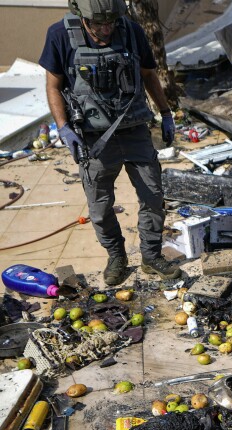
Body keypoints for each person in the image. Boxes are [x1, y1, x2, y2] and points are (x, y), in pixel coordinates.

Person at [39, 0, 181, 286]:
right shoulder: (59, 35)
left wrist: (166, 113)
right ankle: (116, 256)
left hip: (135, 131)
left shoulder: (131, 31)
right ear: (83, 18)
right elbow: (53, 85)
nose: (106, 29)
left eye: (111, 23)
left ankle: (152, 256)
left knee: (153, 197)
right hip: (94, 139)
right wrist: (63, 127)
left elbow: (148, 75)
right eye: (99, 25)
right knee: (100, 208)